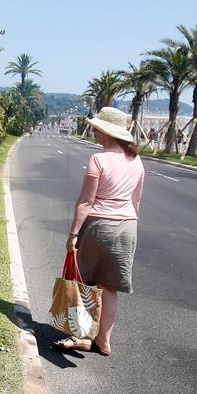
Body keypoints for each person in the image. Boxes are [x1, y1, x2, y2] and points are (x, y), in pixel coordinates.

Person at [55, 107, 145, 356]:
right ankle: (104, 341)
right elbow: (136, 201)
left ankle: (81, 334)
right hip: (128, 227)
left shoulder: (99, 159)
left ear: (107, 131)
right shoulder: (135, 160)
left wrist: (73, 234)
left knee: (85, 281)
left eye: (97, 127)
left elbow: (86, 202)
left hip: (98, 225)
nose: (93, 131)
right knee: (110, 287)